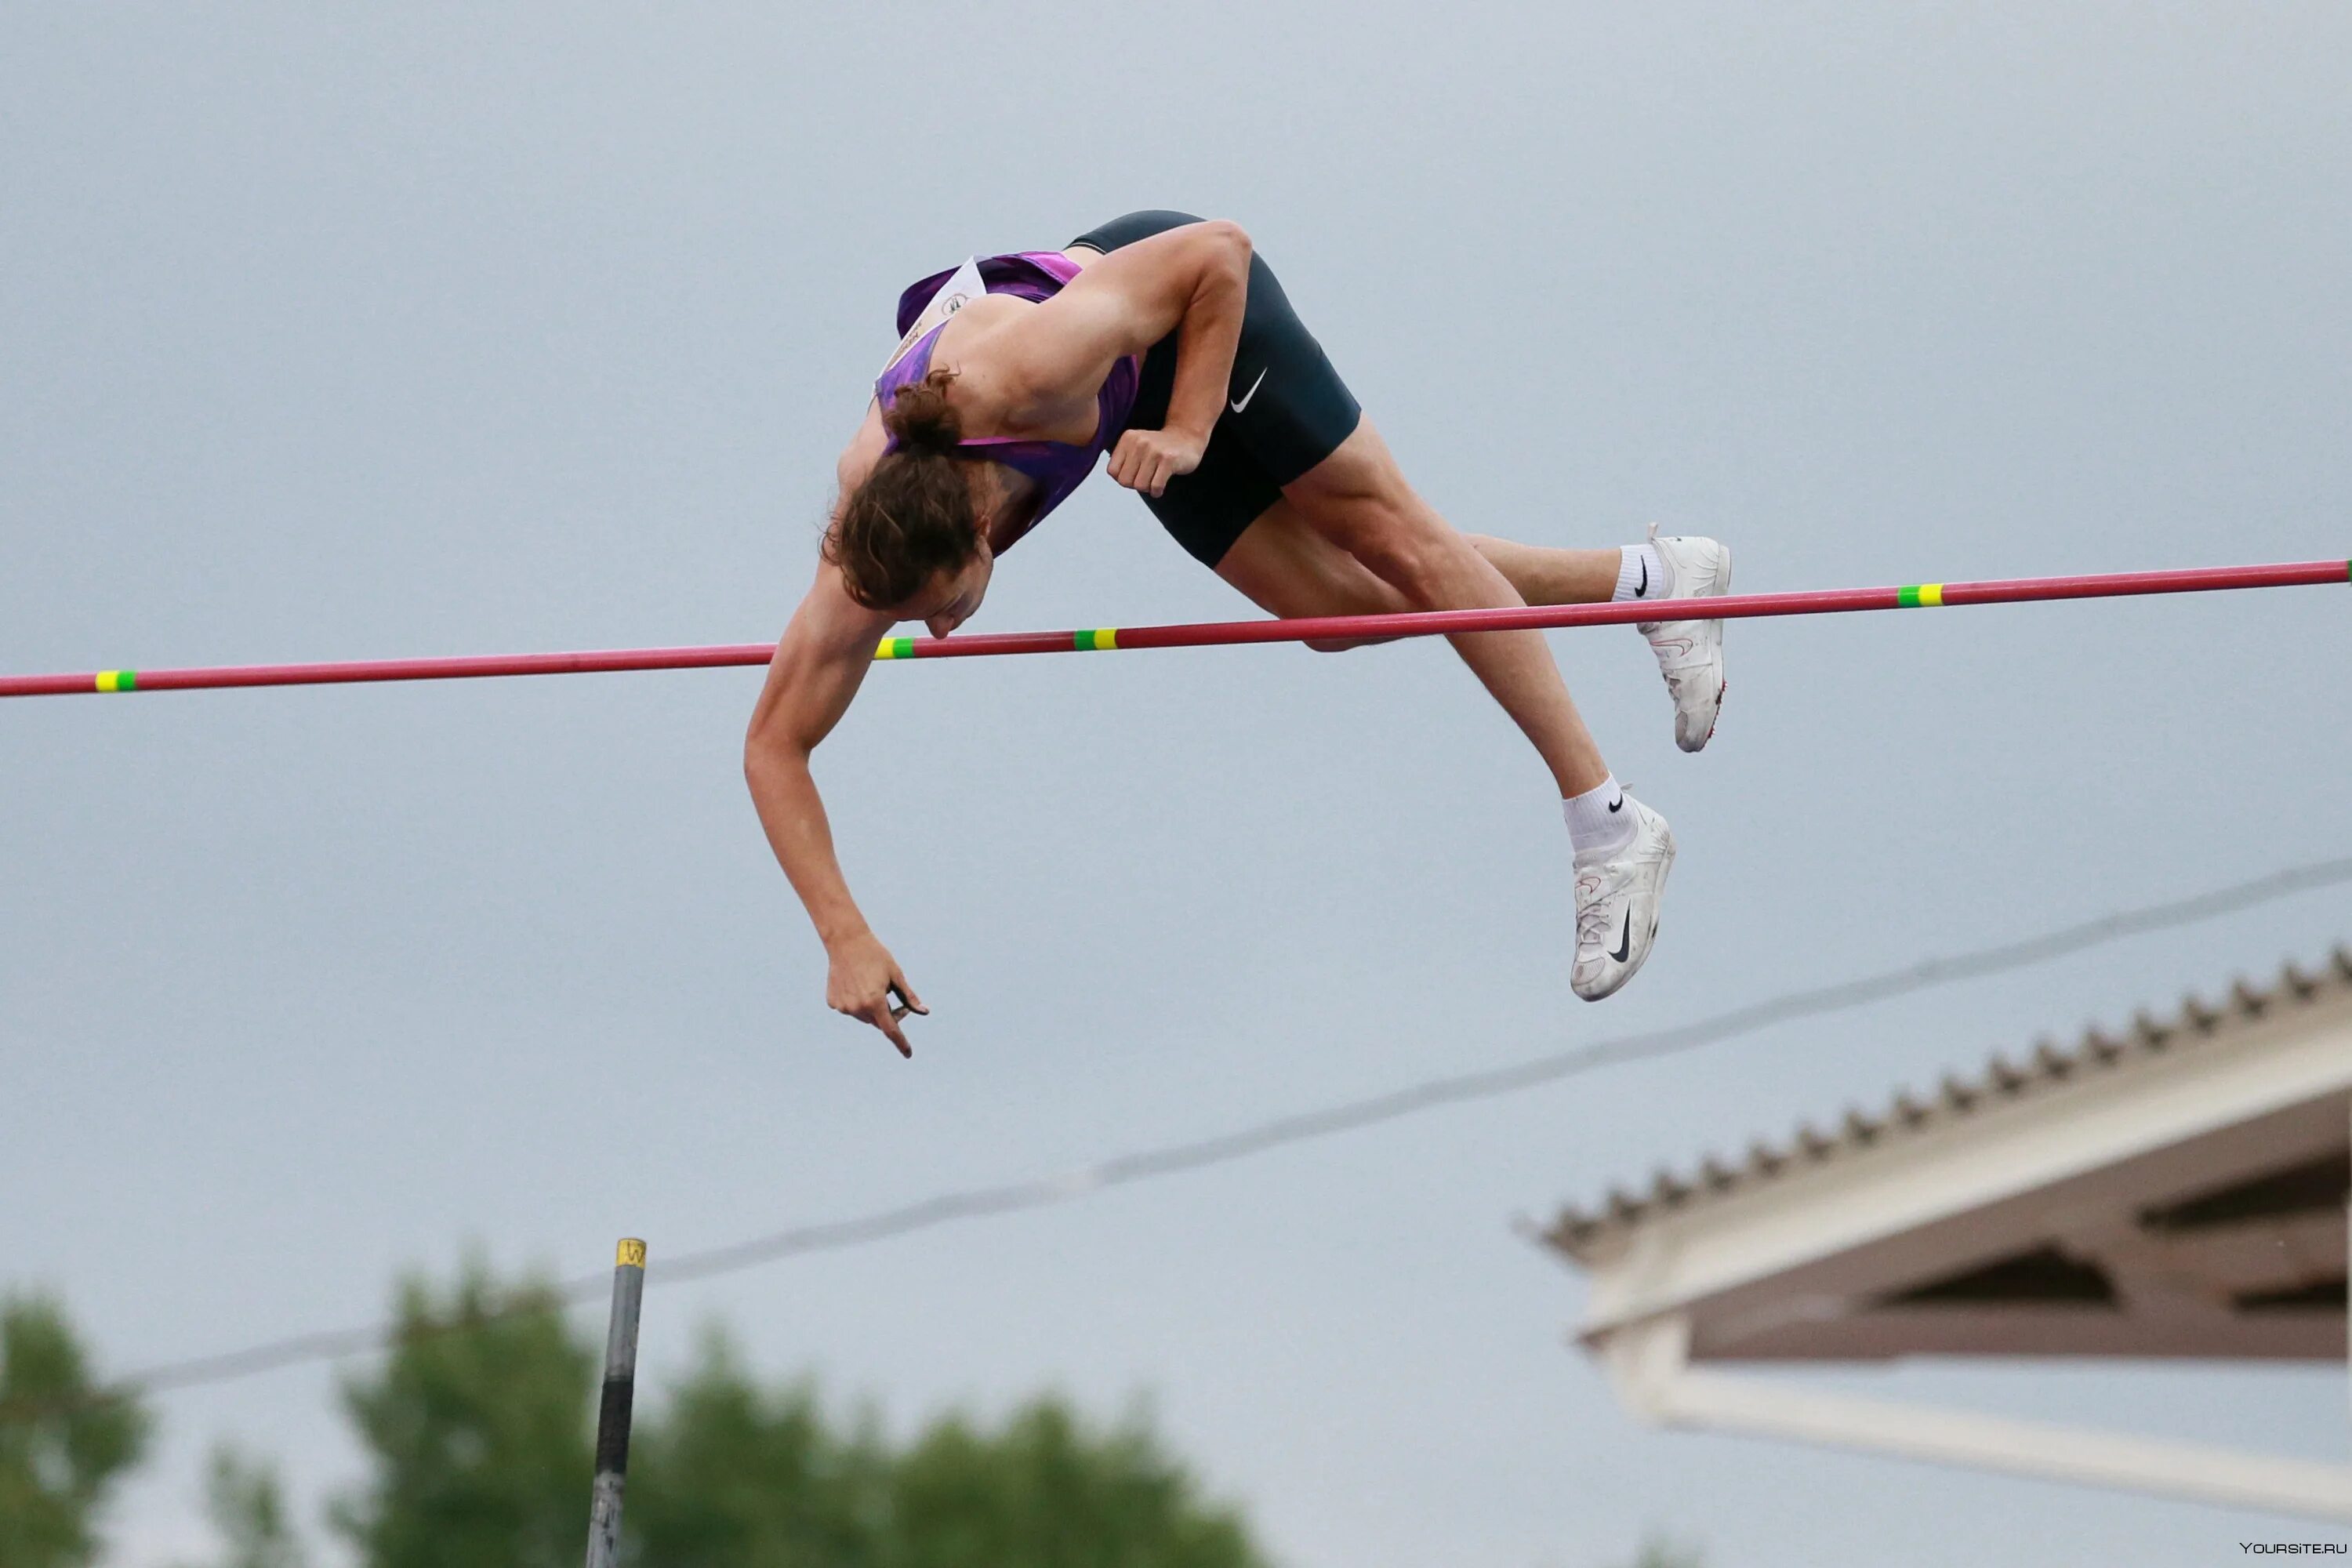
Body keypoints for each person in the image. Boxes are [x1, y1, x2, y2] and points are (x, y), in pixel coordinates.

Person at [744, 211, 1730, 1057]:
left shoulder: (1025, 371)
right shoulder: (862, 552)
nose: (944, 630)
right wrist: (843, 934)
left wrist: (1188, 432)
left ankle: (1609, 823)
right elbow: (774, 746)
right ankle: (1655, 581)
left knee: (1398, 540)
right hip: (1127, 386)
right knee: (1333, 615)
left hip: (1190, 303)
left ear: (971, 524)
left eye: (942, 604)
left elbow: (1218, 251)